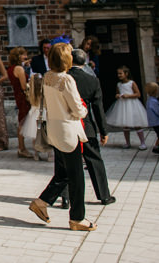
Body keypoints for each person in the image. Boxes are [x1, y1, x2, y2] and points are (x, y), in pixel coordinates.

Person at [29, 43, 96, 232]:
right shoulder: (66, 80)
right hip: (68, 131)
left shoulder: (48, 77)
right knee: (76, 177)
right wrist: (83, 111)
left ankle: (42, 202)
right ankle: (77, 218)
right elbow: (77, 108)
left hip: (54, 129)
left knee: (63, 172)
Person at [68, 48, 115, 205]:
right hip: (85, 123)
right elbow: (98, 108)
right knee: (94, 159)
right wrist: (103, 130)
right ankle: (104, 195)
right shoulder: (92, 80)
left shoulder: (64, 78)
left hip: (66, 124)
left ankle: (66, 198)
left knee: (65, 162)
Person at [105, 66, 148, 150]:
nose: (119, 75)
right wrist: (117, 95)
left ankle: (143, 142)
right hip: (122, 106)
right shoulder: (119, 84)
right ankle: (127, 142)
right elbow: (117, 93)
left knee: (137, 124)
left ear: (126, 74)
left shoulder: (131, 83)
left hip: (132, 105)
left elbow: (138, 94)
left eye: (121, 73)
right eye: (118, 74)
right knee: (125, 125)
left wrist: (128, 95)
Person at [6, 47, 32, 158]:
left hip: (17, 95)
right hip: (23, 97)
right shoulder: (19, 69)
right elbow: (24, 86)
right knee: (23, 121)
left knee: (22, 120)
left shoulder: (11, 68)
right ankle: (22, 148)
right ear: (18, 56)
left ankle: (22, 147)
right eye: (23, 55)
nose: (25, 57)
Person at [20, 73, 49, 161]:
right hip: (43, 113)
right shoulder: (44, 92)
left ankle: (36, 154)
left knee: (35, 136)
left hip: (34, 115)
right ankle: (50, 154)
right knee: (46, 135)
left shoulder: (31, 93)